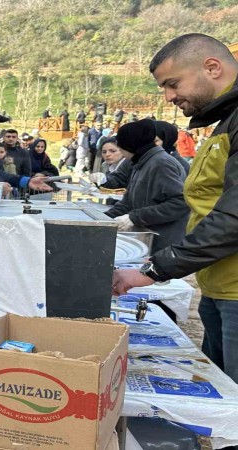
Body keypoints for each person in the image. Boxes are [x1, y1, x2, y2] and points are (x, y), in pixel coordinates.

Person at [112, 34, 238, 386]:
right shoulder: (226, 121)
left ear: (212, 67)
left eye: (172, 84)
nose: (168, 97)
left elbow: (232, 219)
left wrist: (154, 270)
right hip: (218, 283)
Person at [104, 120, 188, 252]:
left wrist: (135, 217)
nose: (123, 155)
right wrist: (103, 219)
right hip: (145, 241)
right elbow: (128, 202)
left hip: (163, 244)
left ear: (130, 146)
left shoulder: (161, 164)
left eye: (121, 149)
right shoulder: (139, 163)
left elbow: (181, 202)